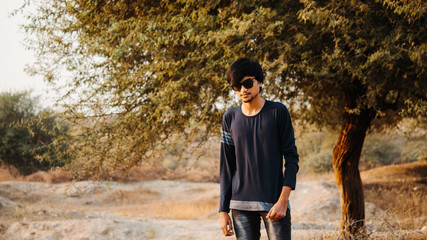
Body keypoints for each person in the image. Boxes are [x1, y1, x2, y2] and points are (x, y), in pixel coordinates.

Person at [219, 58, 299, 240]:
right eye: (236, 87)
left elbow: (292, 158)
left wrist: (283, 201)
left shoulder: (278, 112)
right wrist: (223, 210)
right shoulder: (230, 117)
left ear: (260, 81)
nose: (243, 90)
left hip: (275, 204)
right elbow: (226, 167)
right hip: (240, 206)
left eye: (247, 83)